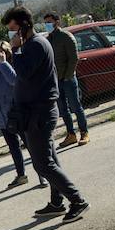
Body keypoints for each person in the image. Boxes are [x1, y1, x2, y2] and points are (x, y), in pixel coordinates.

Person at [5, 5, 91, 222]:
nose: (11, 34)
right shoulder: (33, 44)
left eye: (13, 29)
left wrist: (15, 50)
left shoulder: (35, 45)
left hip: (40, 113)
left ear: (23, 26)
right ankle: (57, 202)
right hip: (35, 112)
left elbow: (23, 73)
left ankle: (78, 201)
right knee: (50, 159)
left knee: (43, 164)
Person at [0, 41, 30, 188]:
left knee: (30, 144)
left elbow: (14, 81)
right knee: (14, 147)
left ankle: (43, 174)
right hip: (2, 117)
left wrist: (4, 64)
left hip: (16, 114)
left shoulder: (12, 65)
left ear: (7, 53)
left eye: (0, 53)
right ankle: (21, 175)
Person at [44, 11, 89, 146]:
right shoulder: (48, 40)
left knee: (76, 107)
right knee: (63, 110)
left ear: (57, 22)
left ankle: (84, 132)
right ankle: (71, 134)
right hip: (56, 81)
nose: (47, 25)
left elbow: (74, 58)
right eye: (45, 23)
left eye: (49, 22)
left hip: (68, 80)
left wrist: (67, 76)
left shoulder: (66, 36)